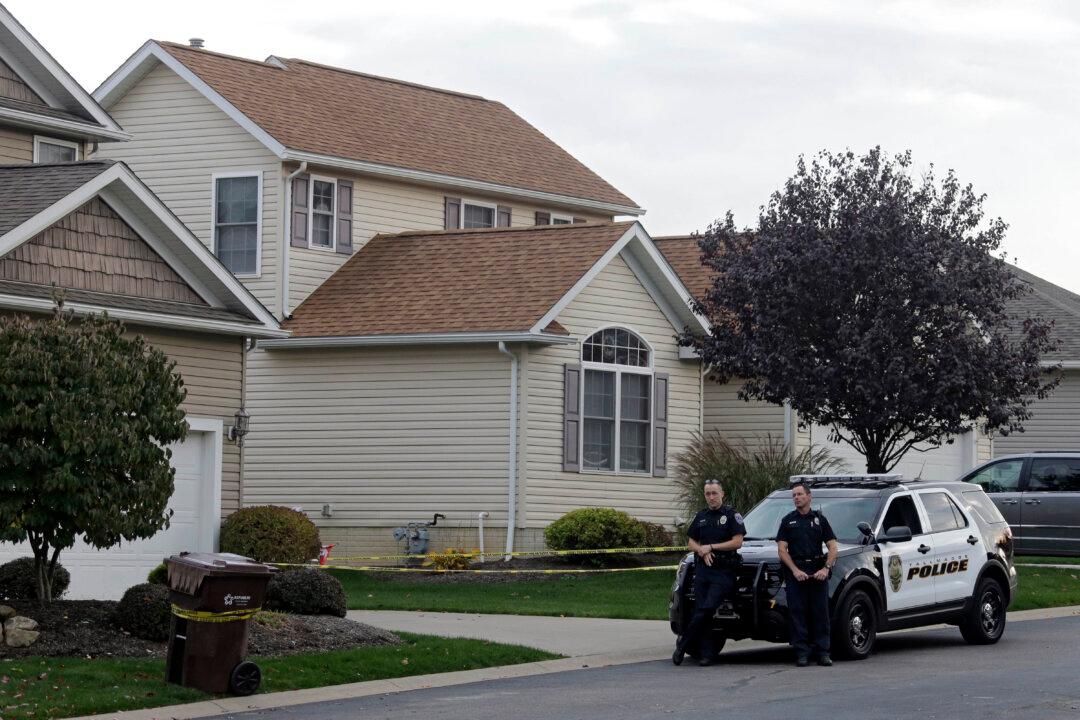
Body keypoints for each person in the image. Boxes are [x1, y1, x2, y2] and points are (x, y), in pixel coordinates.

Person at [673, 479, 745, 667]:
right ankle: (706, 654)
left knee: (707, 609)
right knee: (701, 611)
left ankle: (683, 644)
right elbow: (691, 541)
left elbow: (737, 542)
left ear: (723, 494)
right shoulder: (701, 516)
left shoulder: (731, 515)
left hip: (723, 572)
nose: (711, 497)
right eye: (708, 494)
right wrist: (701, 551)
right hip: (703, 571)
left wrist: (711, 547)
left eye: (714, 493)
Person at [776, 480, 839, 667]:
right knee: (798, 613)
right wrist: (795, 570)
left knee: (820, 613)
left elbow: (833, 546)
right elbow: (781, 549)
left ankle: (823, 652)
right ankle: (802, 653)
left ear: (809, 496)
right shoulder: (788, 521)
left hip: (817, 571)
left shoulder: (820, 520)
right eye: (794, 495)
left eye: (799, 494)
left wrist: (825, 569)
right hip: (797, 573)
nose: (796, 498)